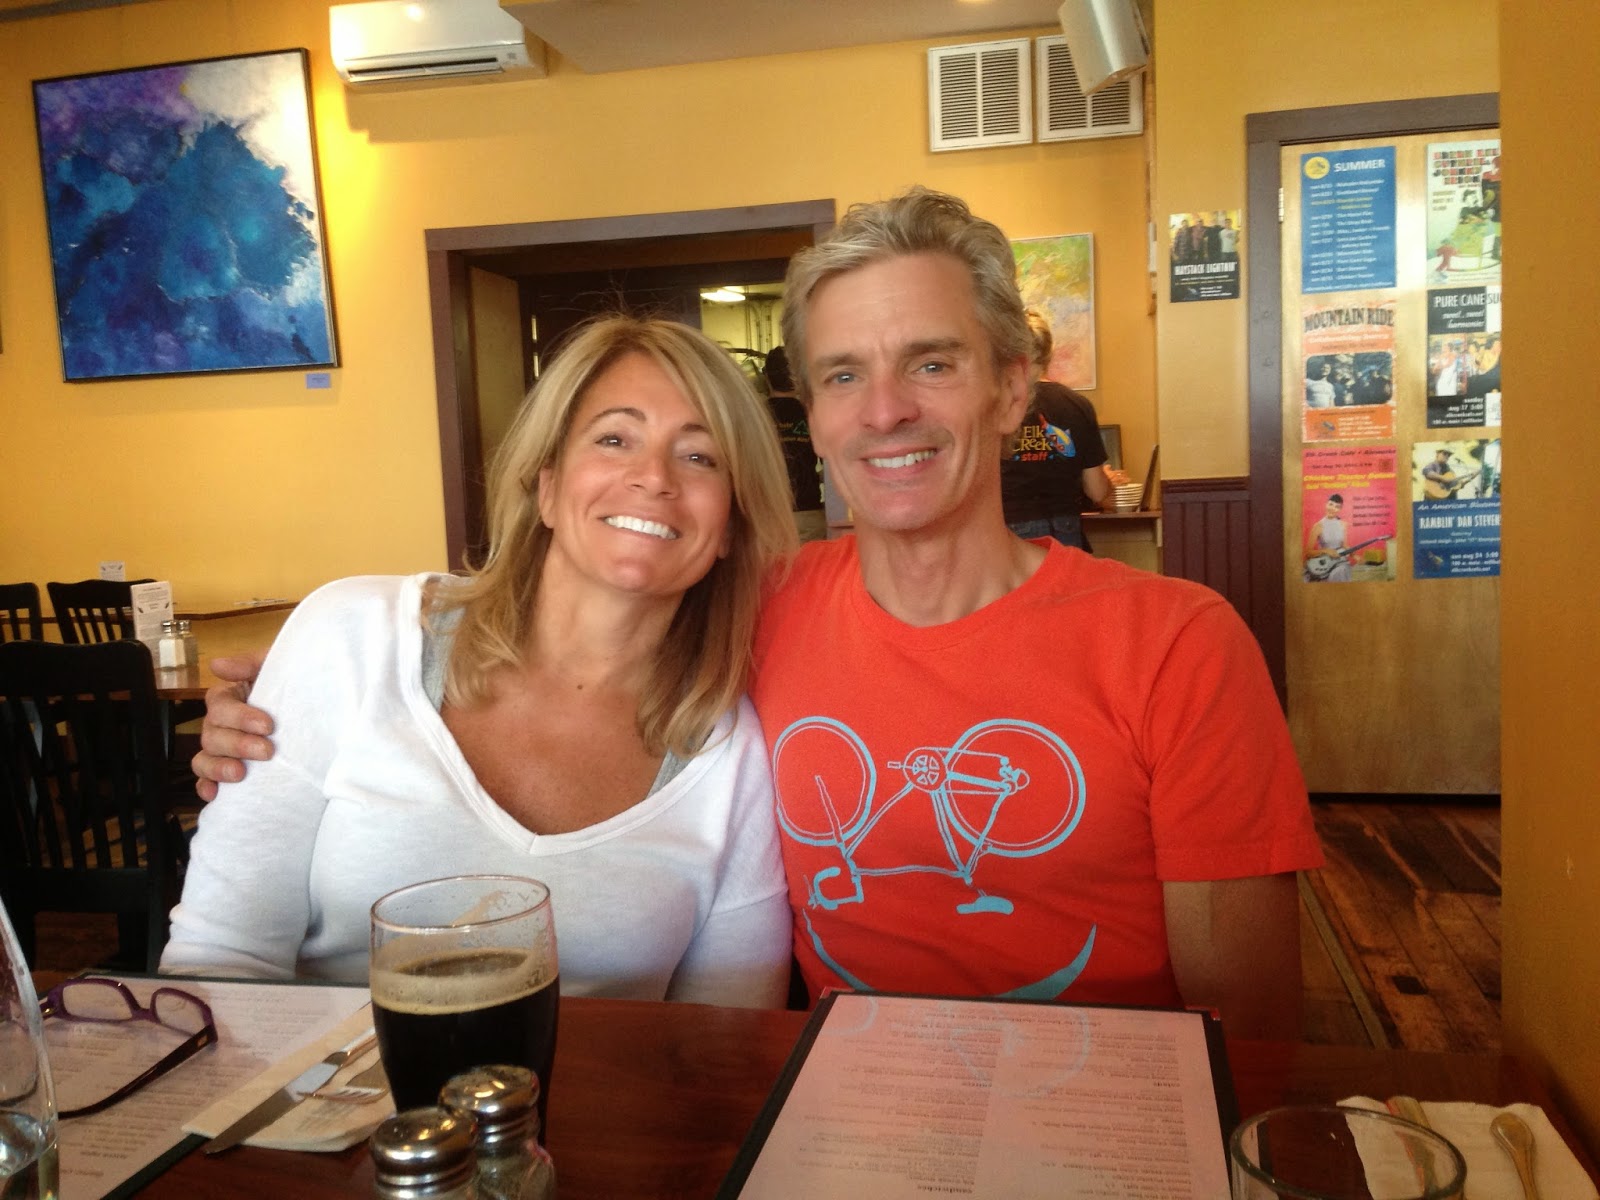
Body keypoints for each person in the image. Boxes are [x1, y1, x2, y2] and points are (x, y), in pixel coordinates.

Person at [194, 188, 1322, 1039]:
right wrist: (287, 704)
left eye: (931, 364)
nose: (885, 411)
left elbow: (1254, 1039)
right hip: (841, 1121)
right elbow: (551, 615)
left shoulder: (1177, 644)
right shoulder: (757, 616)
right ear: (812, 413)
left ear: (1012, 385)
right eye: (843, 375)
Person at [163, 316, 800, 1009]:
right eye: (615, 439)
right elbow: (221, 959)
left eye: (700, 457)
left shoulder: (730, 751)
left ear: (731, 525)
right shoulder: (352, 636)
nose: (653, 477)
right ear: (547, 486)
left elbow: (724, 1039)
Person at [1000, 309, 1111, 551]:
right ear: (1049, 353)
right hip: (1065, 528)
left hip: (1011, 529)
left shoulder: (998, 405)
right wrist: (1108, 480)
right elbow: (1097, 492)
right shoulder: (1077, 405)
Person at [762, 345, 827, 542]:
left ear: (766, 376)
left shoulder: (754, 416)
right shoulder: (815, 413)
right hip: (809, 513)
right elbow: (831, 468)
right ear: (798, 376)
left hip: (766, 517)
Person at [1303, 494, 1353, 582]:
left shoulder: (1343, 524)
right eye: (1331, 504)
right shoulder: (1318, 526)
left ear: (1340, 509)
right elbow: (1308, 553)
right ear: (1326, 504)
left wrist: (1354, 554)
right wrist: (1325, 551)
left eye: (1337, 507)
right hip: (1324, 562)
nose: (1332, 508)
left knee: (1340, 572)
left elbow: (1345, 545)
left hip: (1339, 561)